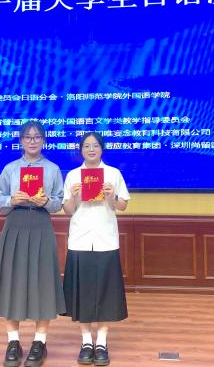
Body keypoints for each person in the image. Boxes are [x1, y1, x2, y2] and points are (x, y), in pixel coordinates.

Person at [0, 120, 65, 367]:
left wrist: (46, 202)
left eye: (37, 137)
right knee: (13, 281)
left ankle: (40, 341)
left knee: (43, 282)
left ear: (43, 140)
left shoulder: (53, 169)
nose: (33, 141)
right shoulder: (10, 169)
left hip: (41, 224)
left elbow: (59, 201)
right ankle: (13, 341)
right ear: (21, 141)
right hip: (15, 224)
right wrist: (12, 199)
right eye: (28, 137)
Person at [62, 131, 130, 366]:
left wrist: (111, 197)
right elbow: (68, 210)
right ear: (81, 150)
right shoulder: (73, 175)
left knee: (105, 292)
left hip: (105, 240)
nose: (91, 149)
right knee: (83, 292)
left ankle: (101, 341)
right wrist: (74, 196)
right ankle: (86, 342)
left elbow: (123, 206)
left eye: (95, 145)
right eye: (86, 146)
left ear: (102, 149)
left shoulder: (113, 174)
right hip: (80, 239)